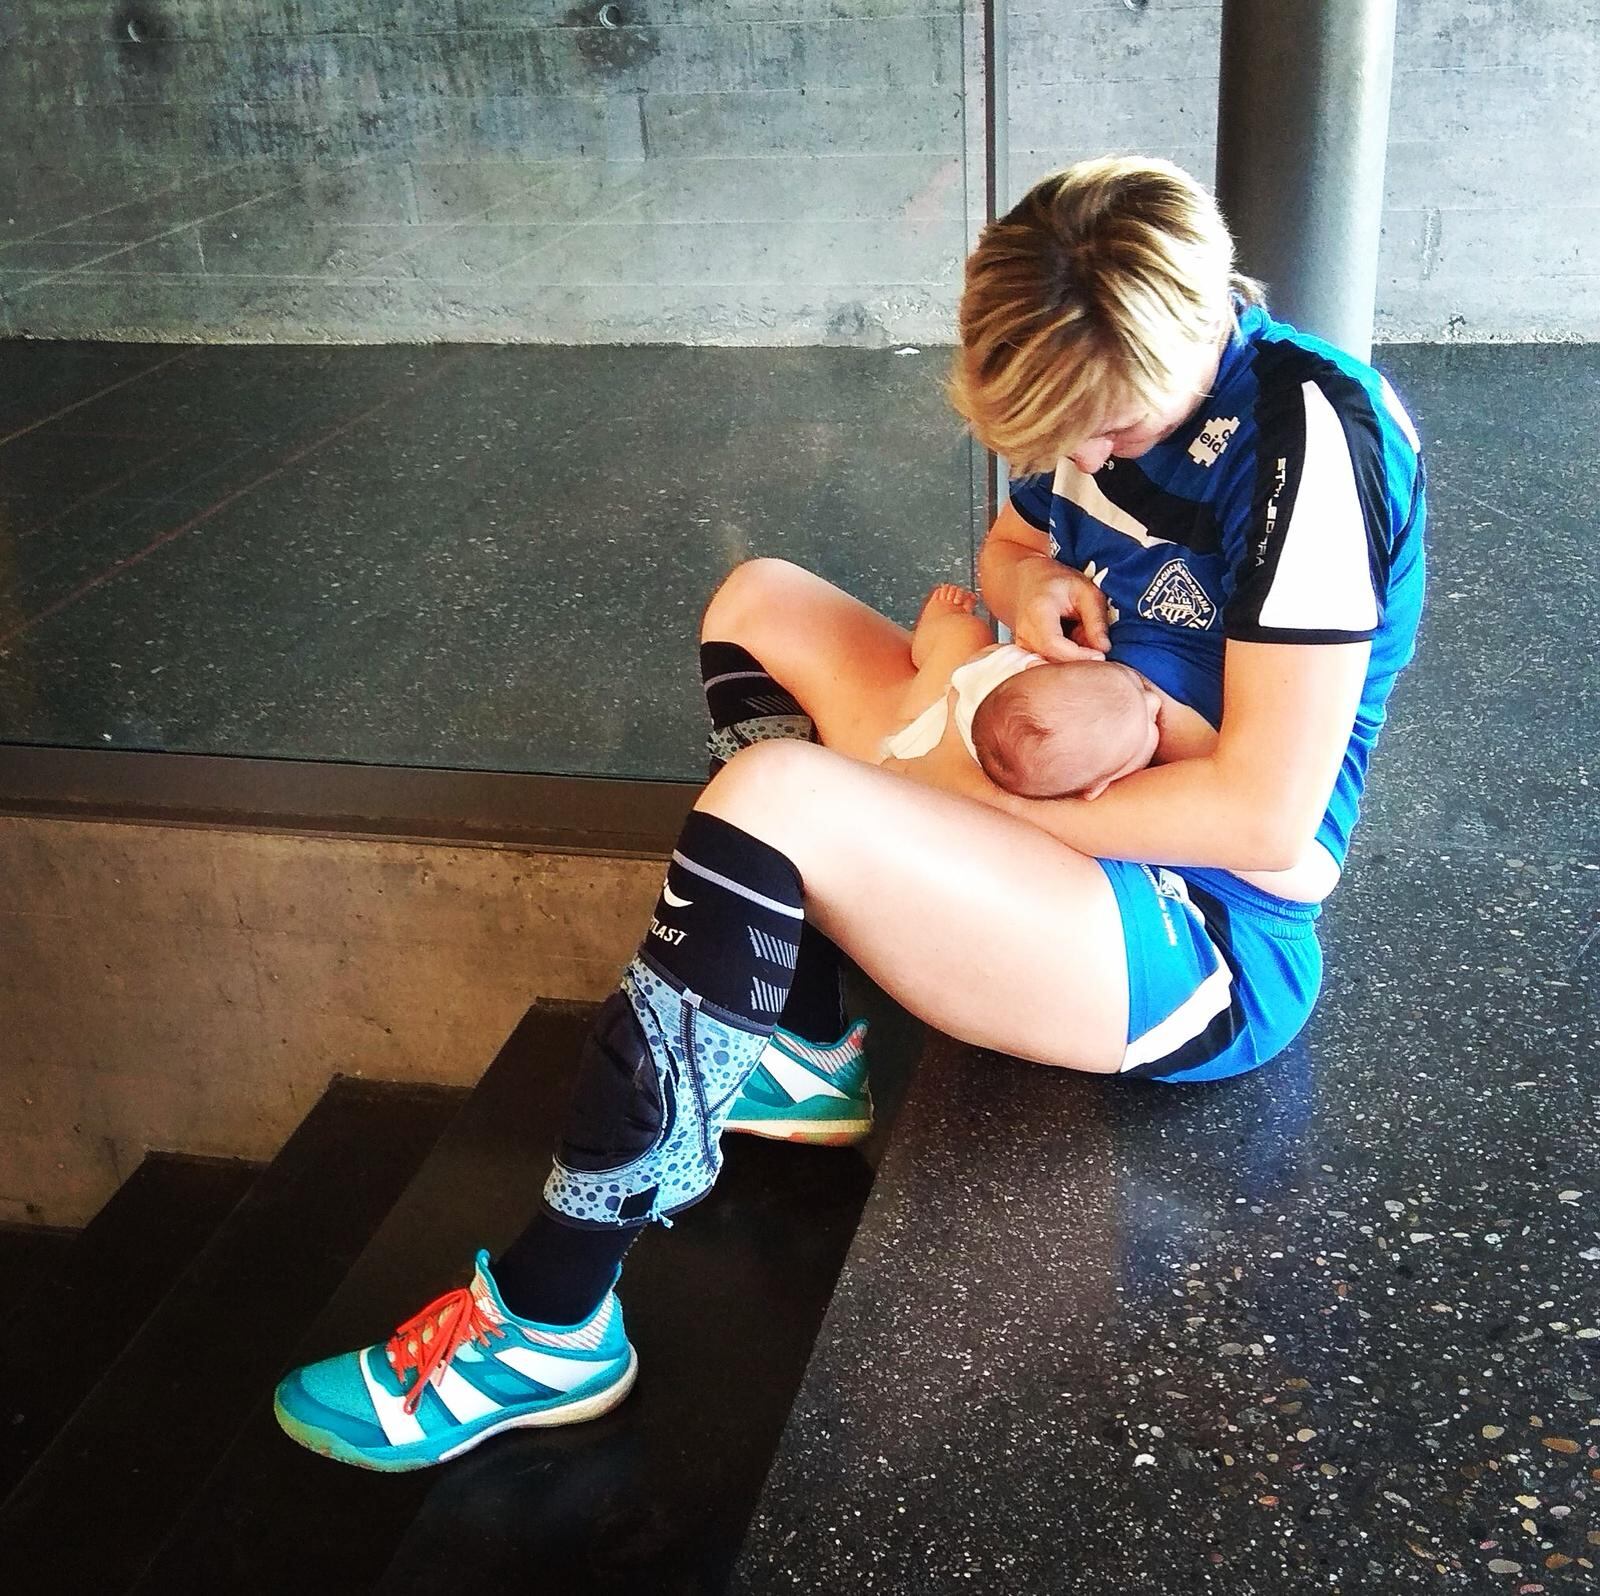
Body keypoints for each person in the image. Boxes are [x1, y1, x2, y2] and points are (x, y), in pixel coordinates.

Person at [272, 154, 1426, 1472]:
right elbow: (1014, 543)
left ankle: (548, 1323)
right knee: (758, 603)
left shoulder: (1306, 445)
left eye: (1106, 434)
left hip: (1194, 933)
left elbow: (1271, 825)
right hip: (1036, 782)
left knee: (777, 796)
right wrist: (1029, 582)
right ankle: (805, 1046)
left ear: (1192, 326)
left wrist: (959, 797)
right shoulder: (1091, 376)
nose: (1078, 457)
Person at [878, 580, 1214, 800]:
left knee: (964, 634)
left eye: (1149, 724)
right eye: (1138, 686)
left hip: (920, 736)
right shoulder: (1073, 771)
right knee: (964, 641)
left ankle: (940, 626)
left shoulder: (1025, 675)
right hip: (926, 744)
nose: (1153, 700)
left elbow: (980, 659)